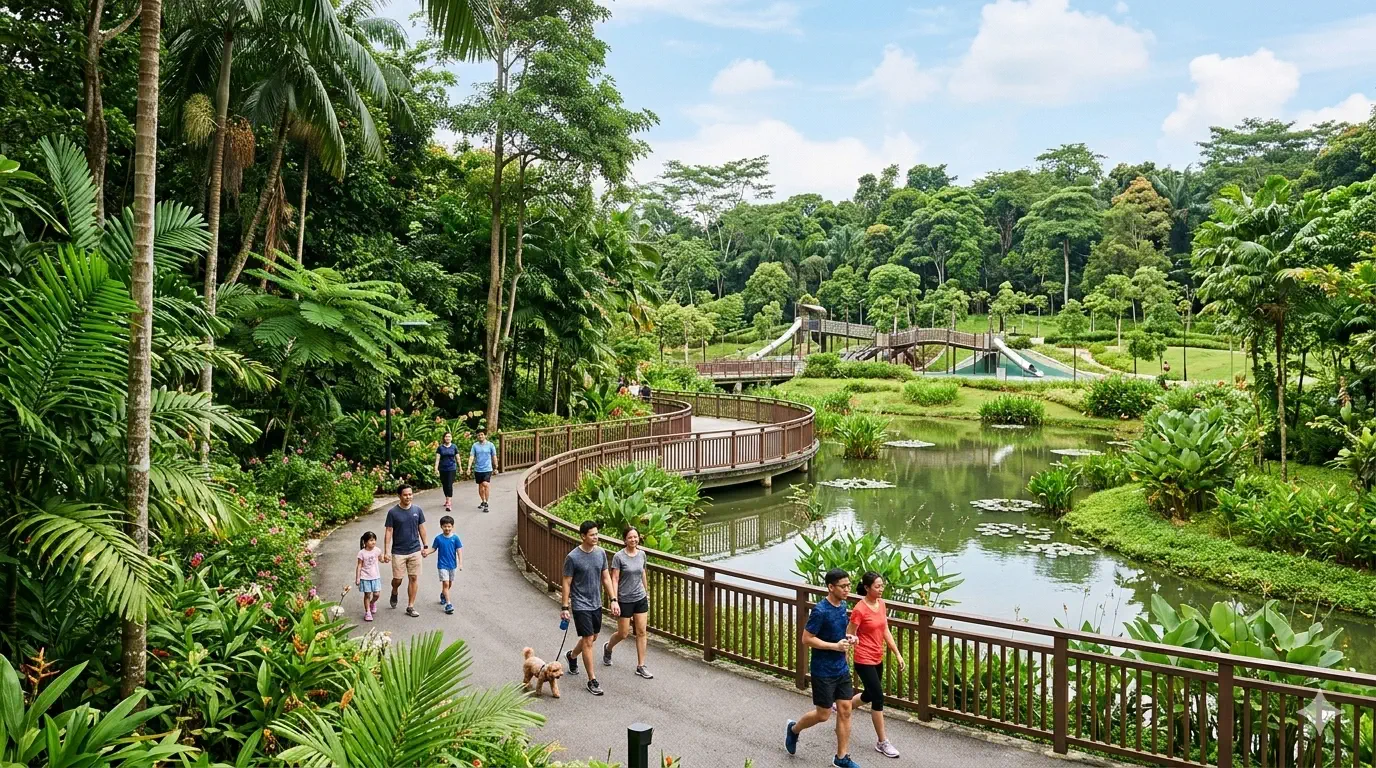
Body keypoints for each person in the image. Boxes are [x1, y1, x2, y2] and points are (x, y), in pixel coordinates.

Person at [785, 568, 860, 768]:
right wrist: (834, 646)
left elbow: (839, 631)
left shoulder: (842, 605)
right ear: (830, 587)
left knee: (845, 710)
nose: (847, 589)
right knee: (823, 714)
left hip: (841, 668)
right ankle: (793, 729)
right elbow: (806, 639)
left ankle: (841, 757)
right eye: (843, 586)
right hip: (823, 670)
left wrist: (849, 637)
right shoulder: (820, 610)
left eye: (848, 585)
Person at [847, 572, 904, 759]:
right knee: (878, 698)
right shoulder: (859, 609)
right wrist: (847, 650)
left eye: (882, 586)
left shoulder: (881, 604)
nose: (881, 589)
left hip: (877, 657)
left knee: (869, 694)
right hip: (863, 659)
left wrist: (896, 652)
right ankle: (882, 742)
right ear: (867, 588)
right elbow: (850, 633)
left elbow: (885, 628)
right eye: (877, 586)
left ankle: (843, 707)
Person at [560, 520, 619, 696]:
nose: (596, 537)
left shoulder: (600, 553)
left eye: (597, 534)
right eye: (592, 535)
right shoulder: (572, 557)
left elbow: (606, 578)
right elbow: (566, 582)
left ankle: (571, 656)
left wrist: (613, 599)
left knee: (593, 637)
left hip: (596, 602)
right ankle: (592, 680)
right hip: (580, 604)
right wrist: (565, 606)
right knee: (587, 640)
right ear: (583, 536)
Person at [603, 526, 653, 679]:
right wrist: (615, 600)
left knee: (641, 631)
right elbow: (615, 579)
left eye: (636, 537)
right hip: (624, 599)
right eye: (630, 537)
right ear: (625, 540)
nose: (633, 540)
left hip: (640, 597)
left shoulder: (642, 554)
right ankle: (608, 647)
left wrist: (646, 591)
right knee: (623, 633)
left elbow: (643, 573)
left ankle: (641, 665)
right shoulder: (619, 557)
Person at [383, 484, 428, 617]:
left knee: (414, 578)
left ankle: (410, 606)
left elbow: (422, 528)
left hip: (415, 549)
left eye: (410, 494)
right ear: (399, 496)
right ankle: (395, 590)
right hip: (398, 551)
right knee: (398, 579)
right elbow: (389, 531)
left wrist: (425, 546)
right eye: (405, 495)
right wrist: (386, 551)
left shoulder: (417, 510)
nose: (408, 497)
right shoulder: (393, 512)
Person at [428, 514, 464, 614]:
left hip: (452, 565)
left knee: (450, 584)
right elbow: (433, 548)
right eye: (445, 526)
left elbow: (459, 550)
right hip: (442, 565)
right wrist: (426, 552)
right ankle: (448, 604)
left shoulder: (455, 538)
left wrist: (460, 563)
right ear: (441, 527)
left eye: (449, 526)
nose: (447, 528)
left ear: (452, 526)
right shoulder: (438, 538)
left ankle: (443, 594)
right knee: (446, 583)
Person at [467, 430, 497, 512]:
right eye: (479, 435)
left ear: (485, 435)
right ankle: (483, 501)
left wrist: (496, 467)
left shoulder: (490, 445)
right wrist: (469, 467)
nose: (480, 436)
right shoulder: (475, 446)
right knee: (480, 487)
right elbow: (472, 456)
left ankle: (486, 502)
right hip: (478, 469)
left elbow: (494, 456)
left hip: (487, 468)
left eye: (482, 435)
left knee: (485, 484)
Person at [355, 531, 382, 621]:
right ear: (365, 542)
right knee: (367, 595)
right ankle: (368, 612)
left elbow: (381, 559)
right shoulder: (361, 553)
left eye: (374, 540)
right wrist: (358, 578)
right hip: (365, 577)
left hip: (375, 576)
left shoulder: (377, 550)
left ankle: (372, 602)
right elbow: (359, 565)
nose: (373, 542)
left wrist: (385, 559)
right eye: (371, 540)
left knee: (377, 594)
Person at [434, 431, 460, 512]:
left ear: (451, 438)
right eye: (446, 436)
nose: (448, 438)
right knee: (444, 484)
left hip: (452, 468)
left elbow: (458, 457)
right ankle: (447, 498)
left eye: (449, 436)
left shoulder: (454, 447)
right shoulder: (440, 448)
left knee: (449, 484)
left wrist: (460, 467)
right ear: (444, 438)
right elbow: (437, 459)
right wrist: (436, 469)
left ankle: (449, 502)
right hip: (443, 469)